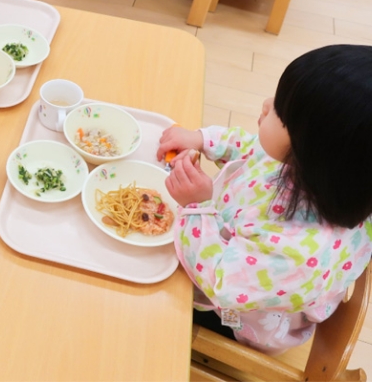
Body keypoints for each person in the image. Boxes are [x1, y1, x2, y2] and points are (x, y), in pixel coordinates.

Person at [155, 44, 372, 354]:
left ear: (314, 155)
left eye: (281, 115)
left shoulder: (297, 251)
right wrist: (202, 139)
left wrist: (197, 207)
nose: (267, 104)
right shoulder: (332, 177)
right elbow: (252, 148)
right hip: (230, 252)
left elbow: (219, 282)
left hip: (238, 316)